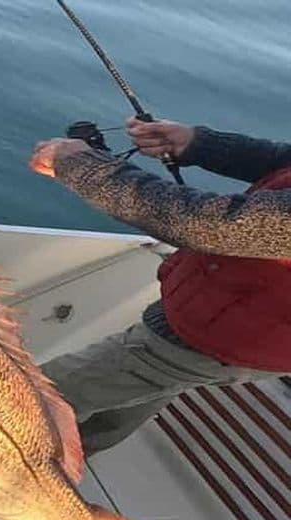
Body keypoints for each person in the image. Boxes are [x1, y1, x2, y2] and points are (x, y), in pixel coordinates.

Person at [29, 116, 291, 455]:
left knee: (23, 403)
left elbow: (207, 224)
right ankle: (66, 463)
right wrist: (197, 144)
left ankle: (15, 482)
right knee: (134, 392)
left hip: (225, 335)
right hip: (228, 318)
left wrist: (80, 166)